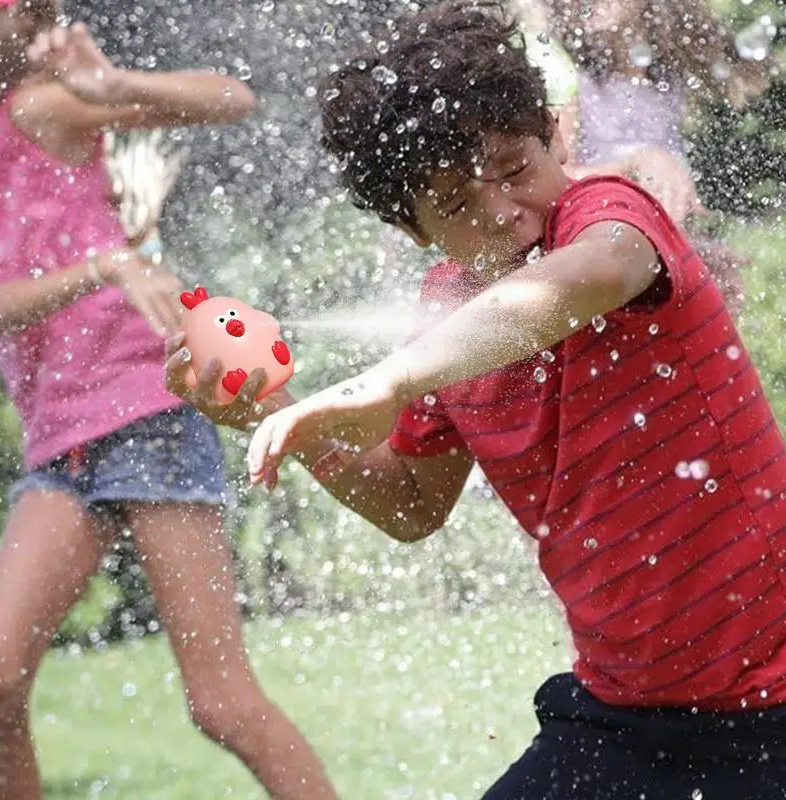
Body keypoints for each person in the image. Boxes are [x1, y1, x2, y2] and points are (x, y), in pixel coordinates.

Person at [169, 1, 786, 797]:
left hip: (772, 707)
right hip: (624, 714)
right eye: (457, 205)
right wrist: (276, 411)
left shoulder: (608, 214)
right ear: (414, 229)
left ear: (555, 140)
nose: (503, 209)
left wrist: (390, 381)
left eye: (516, 168)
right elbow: (409, 504)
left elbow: (574, 286)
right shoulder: (444, 323)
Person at [0, 6, 336, 800]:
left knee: (220, 703)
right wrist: (102, 266)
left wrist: (113, 83)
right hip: (62, 441)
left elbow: (231, 99)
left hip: (143, 410)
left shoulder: (39, 109)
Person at [546, 0, 777, 314]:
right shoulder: (577, 83)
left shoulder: (665, 83)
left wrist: (695, 249)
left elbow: (663, 197)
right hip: (605, 253)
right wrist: (635, 163)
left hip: (654, 253)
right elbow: (561, 179)